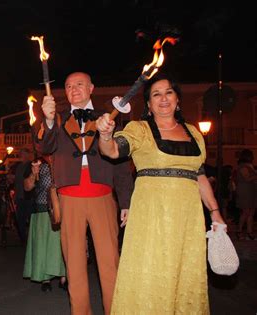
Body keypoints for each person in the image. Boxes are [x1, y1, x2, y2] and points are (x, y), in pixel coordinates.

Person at [95, 72, 226, 314]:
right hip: (151, 217)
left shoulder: (195, 133)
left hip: (188, 218)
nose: (163, 98)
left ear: (177, 100)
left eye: (169, 92)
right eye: (156, 94)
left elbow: (199, 175)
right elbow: (112, 151)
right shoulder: (139, 129)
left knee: (184, 272)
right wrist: (104, 134)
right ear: (148, 104)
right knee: (151, 272)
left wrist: (215, 212)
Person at [38, 72, 133, 315]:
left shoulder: (109, 117)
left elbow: (121, 163)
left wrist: (126, 202)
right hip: (69, 198)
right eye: (68, 86)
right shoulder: (56, 119)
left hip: (102, 196)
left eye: (79, 84)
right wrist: (48, 121)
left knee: (109, 262)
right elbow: (43, 147)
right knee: (74, 265)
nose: (74, 89)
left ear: (91, 87)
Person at [23, 156, 66, 292]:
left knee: (62, 242)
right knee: (43, 243)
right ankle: (45, 277)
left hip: (64, 205)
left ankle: (64, 275)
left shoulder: (63, 156)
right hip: (42, 207)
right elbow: (27, 187)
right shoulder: (36, 162)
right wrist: (33, 173)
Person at [14, 148, 35, 244]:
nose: (20, 155)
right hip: (19, 197)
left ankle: (30, 239)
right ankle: (23, 238)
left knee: (30, 218)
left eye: (22, 153)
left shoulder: (31, 165)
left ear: (27, 154)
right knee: (20, 219)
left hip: (28, 197)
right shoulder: (18, 167)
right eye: (20, 153)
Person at [236, 149, 257, 240]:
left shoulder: (249, 166)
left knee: (251, 212)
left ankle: (249, 232)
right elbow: (247, 178)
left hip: (250, 190)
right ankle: (239, 231)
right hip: (244, 190)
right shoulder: (243, 166)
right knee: (245, 212)